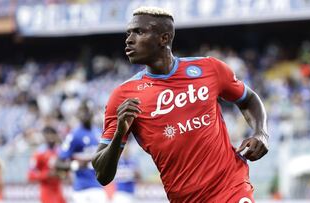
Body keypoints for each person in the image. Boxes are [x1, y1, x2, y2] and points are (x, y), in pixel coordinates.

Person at [92, 6, 269, 202]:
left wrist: (261, 132)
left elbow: (248, 99)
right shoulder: (123, 95)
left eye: (139, 32)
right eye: (128, 33)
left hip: (231, 187)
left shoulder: (209, 69)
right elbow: (102, 174)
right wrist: (118, 134)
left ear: (164, 38)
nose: (129, 39)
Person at [58, 101, 108, 203]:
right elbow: (58, 163)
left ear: (92, 112)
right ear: (77, 114)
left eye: (86, 110)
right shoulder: (74, 135)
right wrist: (75, 165)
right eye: (81, 111)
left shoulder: (98, 132)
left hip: (98, 187)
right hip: (81, 189)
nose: (84, 114)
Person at [27, 126, 66, 203]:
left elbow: (65, 172)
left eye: (52, 134)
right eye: (48, 135)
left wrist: (62, 174)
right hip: (46, 191)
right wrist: (46, 175)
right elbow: (30, 175)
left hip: (58, 191)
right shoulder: (39, 153)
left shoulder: (60, 151)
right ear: (44, 136)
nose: (50, 137)